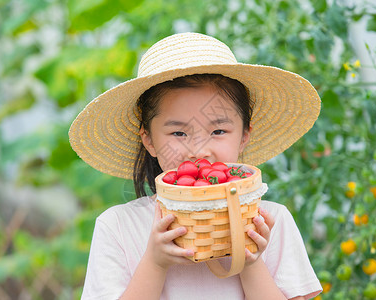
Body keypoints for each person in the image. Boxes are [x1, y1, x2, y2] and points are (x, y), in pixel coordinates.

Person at [69, 32, 322, 299]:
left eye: (218, 131)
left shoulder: (269, 223)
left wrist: (250, 260)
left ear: (244, 135)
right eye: (178, 133)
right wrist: (155, 263)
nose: (199, 151)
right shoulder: (118, 226)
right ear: (149, 140)